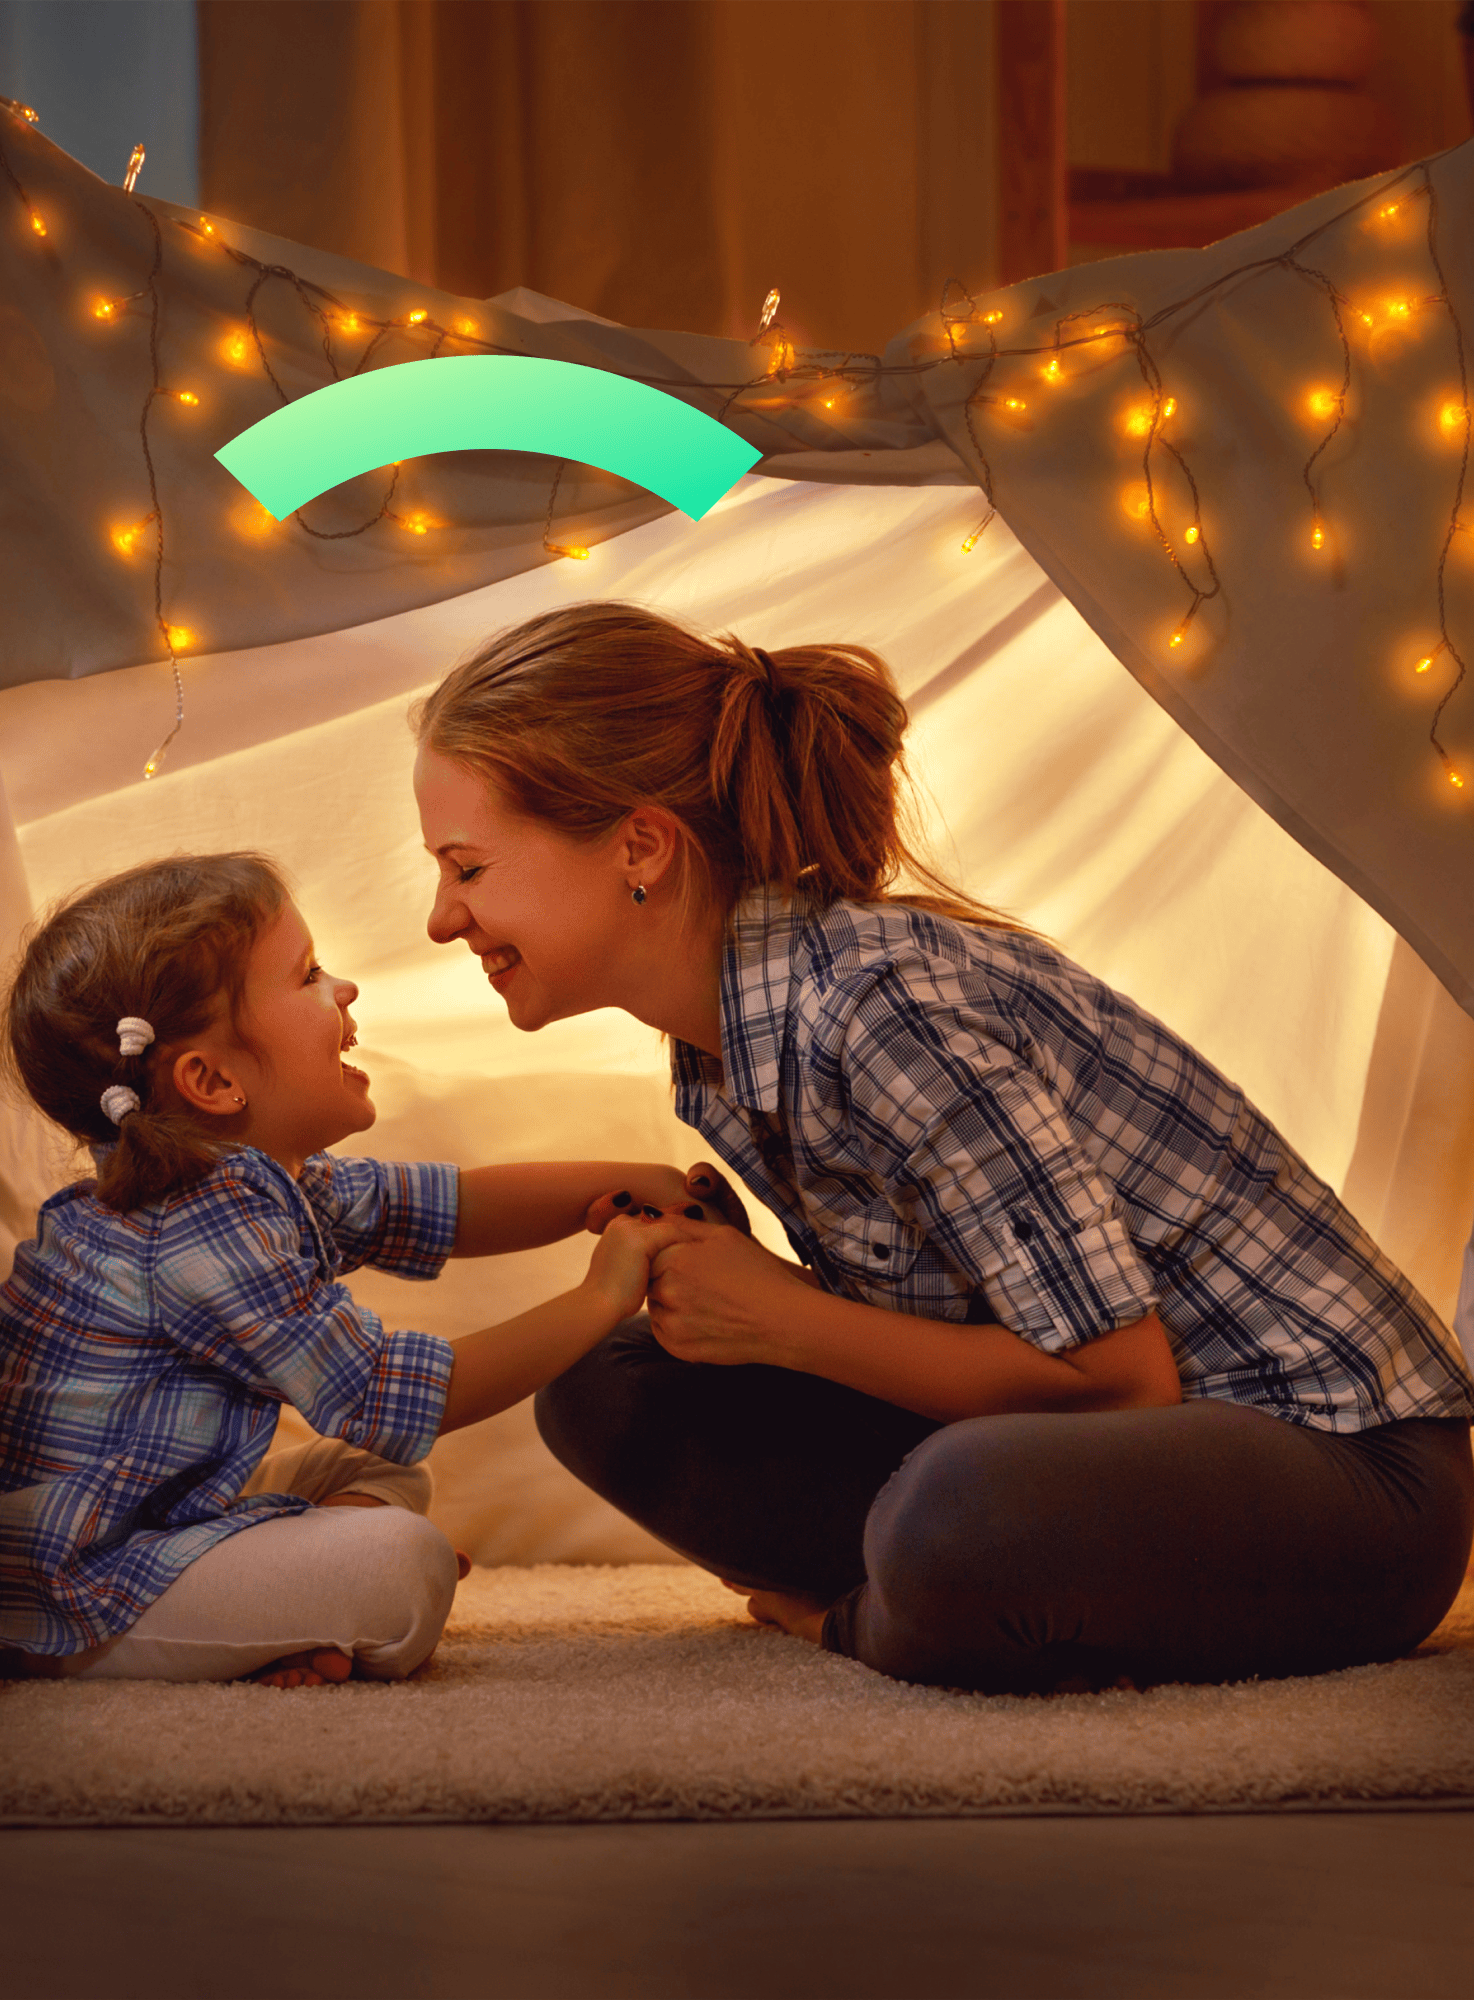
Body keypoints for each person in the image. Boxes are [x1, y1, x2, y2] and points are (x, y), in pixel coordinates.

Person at [412, 601, 1474, 1695]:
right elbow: (960, 1326)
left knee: (959, 1508)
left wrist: (785, 1317)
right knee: (606, 1382)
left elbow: (1117, 1383)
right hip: (1101, 1457)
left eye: (467, 867)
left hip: (1344, 1476)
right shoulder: (722, 1046)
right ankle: (945, 1594)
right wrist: (747, 1301)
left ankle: (876, 1618)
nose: (442, 919)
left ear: (639, 845)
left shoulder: (879, 1007)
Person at [0, 851, 706, 1689]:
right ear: (211, 1081)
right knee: (405, 1566)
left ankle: (288, 1611)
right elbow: (386, 1394)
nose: (344, 988)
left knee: (374, 1475)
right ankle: (112, 1642)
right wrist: (605, 1296)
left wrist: (610, 1186)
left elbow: (441, 1207)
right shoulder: (191, 1228)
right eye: (308, 973)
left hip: (152, 1512)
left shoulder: (248, 1183)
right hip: (75, 1578)